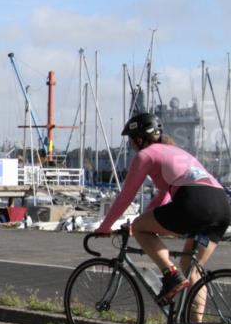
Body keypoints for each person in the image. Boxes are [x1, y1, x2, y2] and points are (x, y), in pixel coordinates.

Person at [96, 112, 230, 306]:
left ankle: (171, 275)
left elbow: (127, 195)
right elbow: (164, 196)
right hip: (221, 206)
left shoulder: (146, 155)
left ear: (140, 139)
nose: (131, 146)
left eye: (131, 141)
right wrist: (144, 218)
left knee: (140, 227)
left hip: (195, 202)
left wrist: (105, 226)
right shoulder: (176, 152)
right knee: (192, 270)